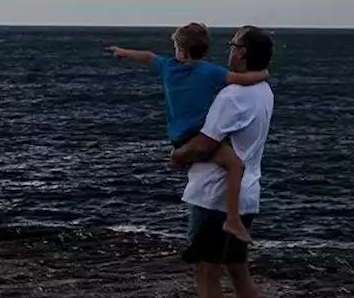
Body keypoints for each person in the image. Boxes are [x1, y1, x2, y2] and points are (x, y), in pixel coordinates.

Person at [170, 24, 275, 298]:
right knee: (239, 272)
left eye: (233, 44)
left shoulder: (232, 97)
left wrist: (178, 154)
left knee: (207, 273)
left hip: (214, 198)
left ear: (243, 52)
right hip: (246, 195)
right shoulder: (263, 92)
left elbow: (203, 144)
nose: (229, 49)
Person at [108, 22, 269, 243]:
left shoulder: (167, 66)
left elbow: (147, 56)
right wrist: (264, 74)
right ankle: (232, 219)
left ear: (181, 50)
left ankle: (227, 213)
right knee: (236, 165)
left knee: (221, 159)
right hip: (196, 135)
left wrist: (123, 52)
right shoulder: (209, 71)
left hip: (178, 137)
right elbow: (242, 79)